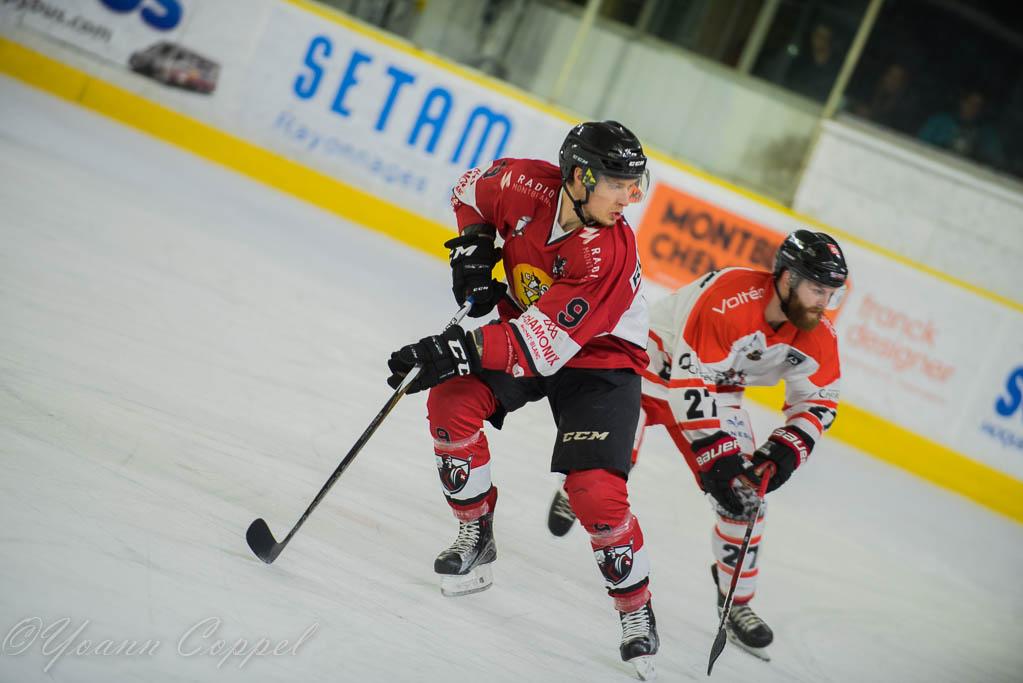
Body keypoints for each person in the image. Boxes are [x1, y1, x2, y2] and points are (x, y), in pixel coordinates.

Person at [385, 121, 660, 679]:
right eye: (617, 183)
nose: (630, 197)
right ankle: (476, 534)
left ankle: (636, 609)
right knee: (450, 407)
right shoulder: (522, 184)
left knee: (594, 493)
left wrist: (452, 351)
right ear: (578, 177)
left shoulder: (608, 252)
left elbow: (538, 350)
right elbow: (467, 190)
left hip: (601, 363)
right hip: (527, 325)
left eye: (635, 184)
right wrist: (473, 247)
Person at [546, 230, 848, 661]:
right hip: (644, 368)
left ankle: (736, 602)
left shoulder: (818, 335)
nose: (824, 302)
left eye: (832, 294)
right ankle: (573, 490)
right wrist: (718, 460)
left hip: (716, 392)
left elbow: (819, 400)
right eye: (818, 289)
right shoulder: (731, 298)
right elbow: (690, 384)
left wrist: (788, 447)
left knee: (745, 499)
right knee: (610, 465)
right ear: (787, 277)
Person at [918, 89, 1006, 169]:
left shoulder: (987, 135)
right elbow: (919, 145)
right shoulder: (940, 122)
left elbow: (997, 164)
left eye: (977, 106)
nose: (972, 108)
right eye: (969, 103)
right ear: (962, 102)